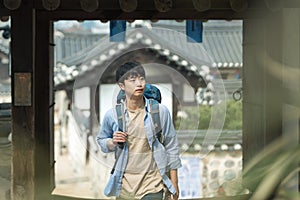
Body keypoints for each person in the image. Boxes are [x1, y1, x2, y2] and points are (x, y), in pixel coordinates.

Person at [97, 61, 182, 200]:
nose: (139, 84)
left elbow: (171, 147)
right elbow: (101, 141)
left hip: (153, 185)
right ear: (121, 86)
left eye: (142, 78)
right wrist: (112, 142)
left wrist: (174, 183)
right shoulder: (112, 115)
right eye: (133, 80)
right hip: (123, 187)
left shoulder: (160, 112)